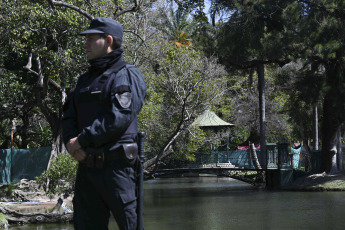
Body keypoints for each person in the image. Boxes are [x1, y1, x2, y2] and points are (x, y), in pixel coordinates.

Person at [61, 17, 147, 230]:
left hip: (118, 170)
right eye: (86, 39)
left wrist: (81, 140)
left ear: (108, 40)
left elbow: (118, 118)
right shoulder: (84, 80)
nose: (86, 44)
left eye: (91, 38)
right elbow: (68, 116)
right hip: (87, 170)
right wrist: (71, 145)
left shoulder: (126, 74)